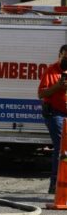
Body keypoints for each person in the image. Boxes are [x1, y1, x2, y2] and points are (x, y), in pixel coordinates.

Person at [38, 44, 67, 194]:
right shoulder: (52, 70)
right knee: (61, 145)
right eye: (65, 56)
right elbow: (41, 94)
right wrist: (57, 87)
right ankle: (55, 184)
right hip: (55, 113)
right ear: (60, 55)